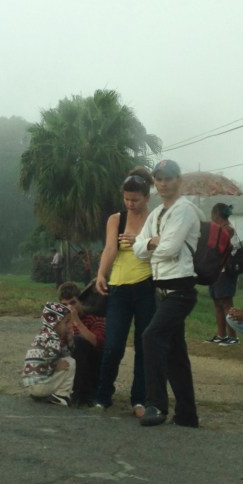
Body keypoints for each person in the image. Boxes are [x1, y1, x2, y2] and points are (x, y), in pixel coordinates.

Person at [133, 159, 203, 428]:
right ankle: (187, 415)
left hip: (180, 290)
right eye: (159, 179)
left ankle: (156, 405)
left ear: (179, 180)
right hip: (161, 290)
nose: (163, 183)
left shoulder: (184, 210)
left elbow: (170, 248)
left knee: (151, 336)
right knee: (175, 354)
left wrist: (149, 246)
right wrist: (151, 242)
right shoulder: (156, 214)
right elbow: (137, 249)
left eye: (169, 178)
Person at [92, 166, 156, 417]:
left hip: (146, 286)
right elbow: (110, 249)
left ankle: (139, 399)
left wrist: (139, 241)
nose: (130, 204)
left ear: (146, 197)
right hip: (118, 287)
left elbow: (162, 247)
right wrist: (101, 274)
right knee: (113, 346)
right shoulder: (115, 219)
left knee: (143, 345)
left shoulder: (155, 218)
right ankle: (102, 395)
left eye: (135, 200)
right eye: (126, 199)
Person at [57, 282, 106, 407]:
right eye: (65, 305)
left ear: (80, 301)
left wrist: (77, 322)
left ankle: (83, 394)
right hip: (69, 369)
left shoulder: (94, 318)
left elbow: (97, 342)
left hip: (91, 367)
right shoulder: (61, 321)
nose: (69, 308)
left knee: (78, 341)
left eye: (73, 303)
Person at [203, 202, 243, 346]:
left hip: (226, 271)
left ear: (216, 214)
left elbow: (216, 248)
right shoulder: (221, 229)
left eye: (212, 214)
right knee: (217, 303)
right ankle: (222, 335)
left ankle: (233, 337)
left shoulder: (228, 229)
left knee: (226, 304)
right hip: (217, 271)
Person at [20, 301, 75, 406]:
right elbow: (49, 360)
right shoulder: (53, 339)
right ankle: (61, 395)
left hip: (31, 384)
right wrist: (56, 366)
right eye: (66, 322)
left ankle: (44, 395)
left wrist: (69, 340)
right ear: (56, 323)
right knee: (71, 362)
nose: (69, 326)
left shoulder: (43, 335)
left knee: (65, 360)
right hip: (40, 385)